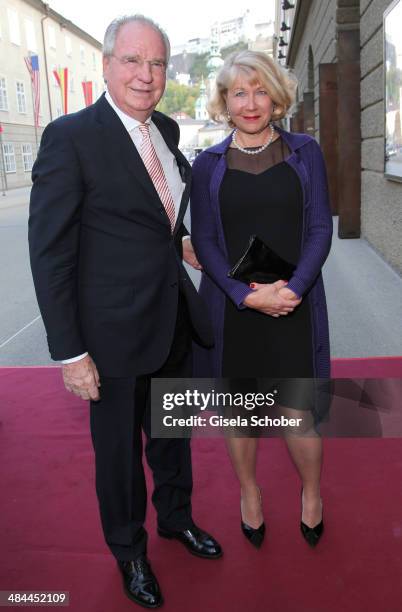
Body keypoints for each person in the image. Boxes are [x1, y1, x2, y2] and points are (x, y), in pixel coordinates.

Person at [28, 14, 221, 609]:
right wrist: (69, 351)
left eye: (158, 63)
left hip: (171, 319)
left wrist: (186, 245)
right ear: (107, 64)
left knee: (171, 434)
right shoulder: (71, 137)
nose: (147, 74)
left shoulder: (165, 128)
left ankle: (176, 518)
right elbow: (51, 252)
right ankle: (129, 551)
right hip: (108, 335)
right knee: (117, 454)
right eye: (133, 61)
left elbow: (159, 221)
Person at [190, 50, 332, 549]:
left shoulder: (304, 151)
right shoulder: (207, 164)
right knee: (240, 416)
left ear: (276, 99)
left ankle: (311, 493)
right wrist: (241, 296)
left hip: (294, 305)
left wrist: (294, 288)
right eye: (239, 92)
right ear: (225, 102)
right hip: (236, 311)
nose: (250, 103)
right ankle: (250, 493)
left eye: (260, 91)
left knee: (298, 416)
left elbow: (318, 227)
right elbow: (204, 240)